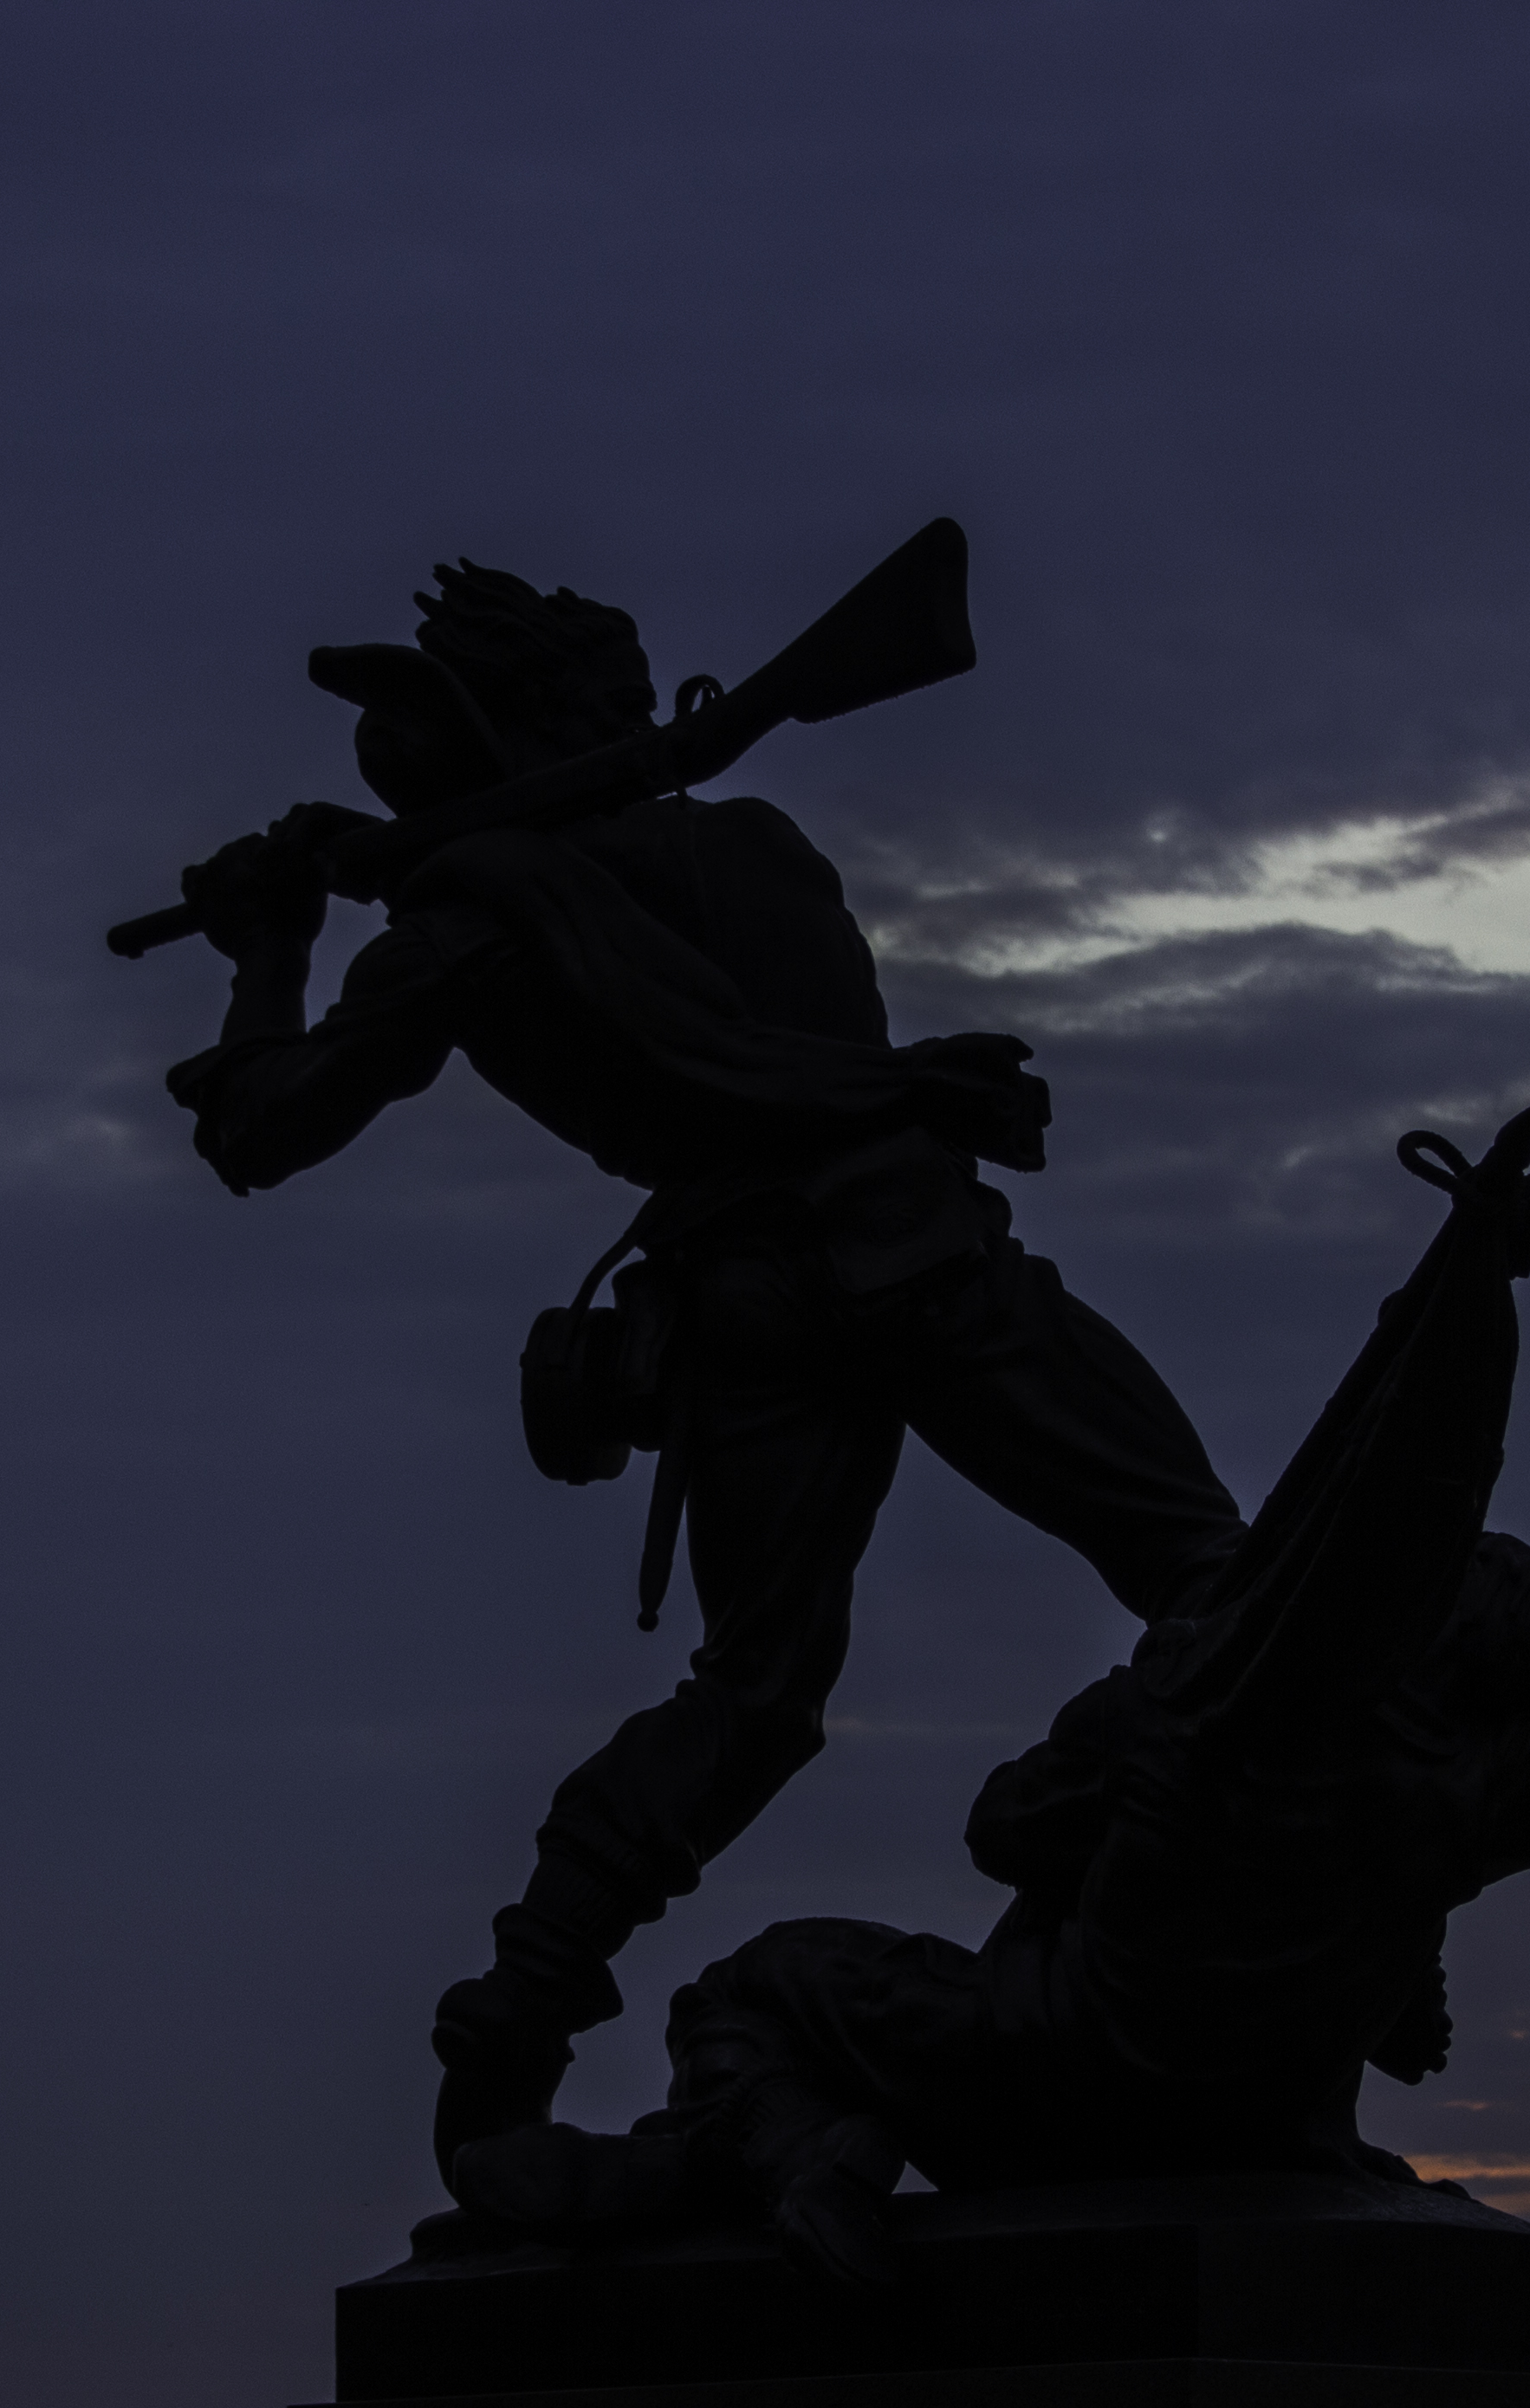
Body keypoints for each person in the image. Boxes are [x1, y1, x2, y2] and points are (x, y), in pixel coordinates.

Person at [162, 560, 1247, 2186]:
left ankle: (523, 2007)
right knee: (1207, 1573)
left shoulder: (463, 929)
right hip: (911, 1246)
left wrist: (270, 950)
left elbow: (259, 1128)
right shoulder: (738, 853)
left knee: (758, 1697)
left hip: (756, 1300)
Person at [438, 1108, 1530, 2276]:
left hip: (1056, 2073)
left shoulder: (1200, 1706)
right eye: (1511, 1558)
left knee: (752, 1990)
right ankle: (769, 2152)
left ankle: (777, 2152)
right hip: (1260, 2117)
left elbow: (1003, 1823)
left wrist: (1126, 1780)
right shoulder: (1506, 1771)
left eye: (1499, 1564)